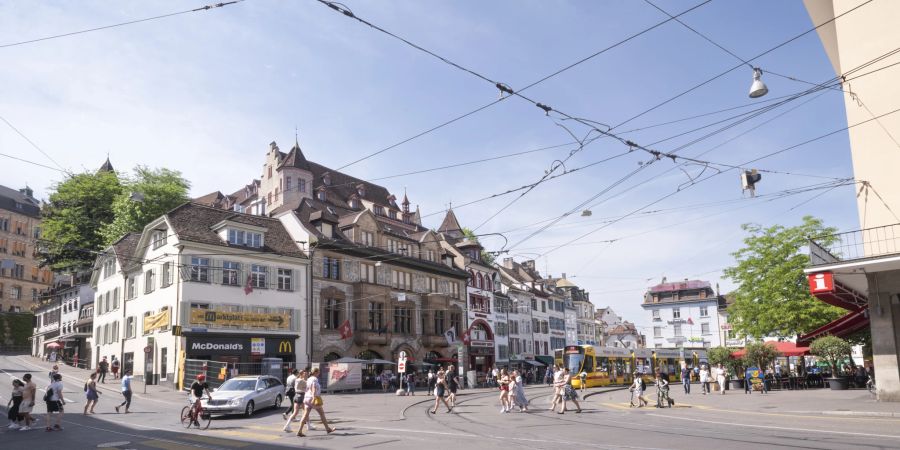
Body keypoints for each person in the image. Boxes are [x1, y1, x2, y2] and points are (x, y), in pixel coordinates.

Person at [296, 368, 335, 437]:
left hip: (307, 398)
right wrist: (314, 397)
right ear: (316, 372)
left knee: (305, 415)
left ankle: (299, 431)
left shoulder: (309, 379)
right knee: (322, 414)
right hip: (313, 398)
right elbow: (313, 387)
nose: (319, 373)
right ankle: (327, 429)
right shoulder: (314, 379)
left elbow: (306, 388)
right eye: (318, 372)